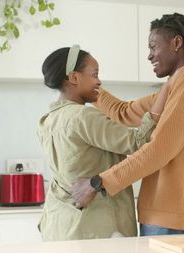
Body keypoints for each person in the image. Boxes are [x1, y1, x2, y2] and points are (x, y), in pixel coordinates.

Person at [72, 13, 184, 236]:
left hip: (174, 217)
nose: (149, 56)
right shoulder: (172, 86)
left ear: (177, 43)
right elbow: (123, 112)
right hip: (161, 215)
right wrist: (90, 86)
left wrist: (98, 183)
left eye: (153, 47)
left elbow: (160, 148)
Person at [37, 45, 170, 240]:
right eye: (94, 74)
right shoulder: (83, 117)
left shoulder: (47, 120)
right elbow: (138, 142)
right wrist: (165, 92)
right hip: (95, 229)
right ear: (74, 78)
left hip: (60, 225)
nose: (99, 81)